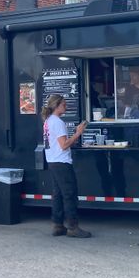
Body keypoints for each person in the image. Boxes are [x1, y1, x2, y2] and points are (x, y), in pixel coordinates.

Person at [41, 94, 91, 238]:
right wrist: (78, 133)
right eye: (63, 104)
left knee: (57, 194)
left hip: (52, 160)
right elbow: (64, 145)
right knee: (70, 194)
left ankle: (57, 225)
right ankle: (73, 227)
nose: (66, 106)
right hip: (62, 162)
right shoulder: (58, 122)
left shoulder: (48, 121)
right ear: (56, 106)